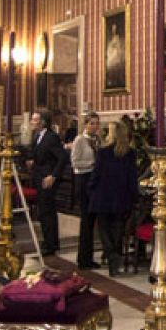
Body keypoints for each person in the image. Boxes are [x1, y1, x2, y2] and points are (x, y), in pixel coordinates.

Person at [87, 119, 137, 275]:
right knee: (117, 228)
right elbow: (132, 178)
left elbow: (96, 174)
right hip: (121, 196)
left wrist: (90, 187)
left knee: (103, 228)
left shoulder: (103, 152)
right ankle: (114, 257)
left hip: (103, 195)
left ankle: (112, 256)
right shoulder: (130, 153)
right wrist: (133, 196)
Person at [28, 109, 65, 256]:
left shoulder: (51, 137)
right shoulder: (36, 136)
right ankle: (48, 240)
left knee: (47, 211)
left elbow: (62, 158)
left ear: (43, 122)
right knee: (43, 211)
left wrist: (53, 176)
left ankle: (51, 244)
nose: (32, 122)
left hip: (47, 179)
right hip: (39, 176)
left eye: (35, 119)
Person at [71, 112, 101, 267]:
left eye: (96, 123)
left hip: (93, 181)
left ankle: (89, 257)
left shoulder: (96, 140)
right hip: (83, 180)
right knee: (86, 221)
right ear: (85, 124)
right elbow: (75, 162)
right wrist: (91, 164)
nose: (95, 126)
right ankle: (83, 259)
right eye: (92, 123)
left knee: (92, 221)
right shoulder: (79, 140)